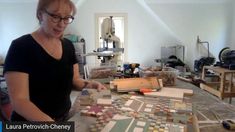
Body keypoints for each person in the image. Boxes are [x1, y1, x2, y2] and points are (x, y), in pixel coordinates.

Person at [3, 0, 106, 121]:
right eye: (55, 17)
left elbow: (75, 80)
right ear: (40, 14)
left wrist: (89, 84)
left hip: (63, 118)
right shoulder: (21, 47)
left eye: (66, 18)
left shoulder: (68, 46)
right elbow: (19, 101)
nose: (62, 24)